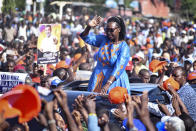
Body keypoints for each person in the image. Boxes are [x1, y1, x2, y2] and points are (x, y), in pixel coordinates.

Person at [80, 16, 130, 94]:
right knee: (92, 102)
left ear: (119, 30)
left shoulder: (124, 47)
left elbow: (118, 68)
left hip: (114, 81)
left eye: (111, 30)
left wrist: (108, 84)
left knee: (111, 103)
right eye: (107, 30)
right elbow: (85, 37)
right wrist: (89, 26)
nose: (108, 33)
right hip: (98, 77)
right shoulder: (103, 39)